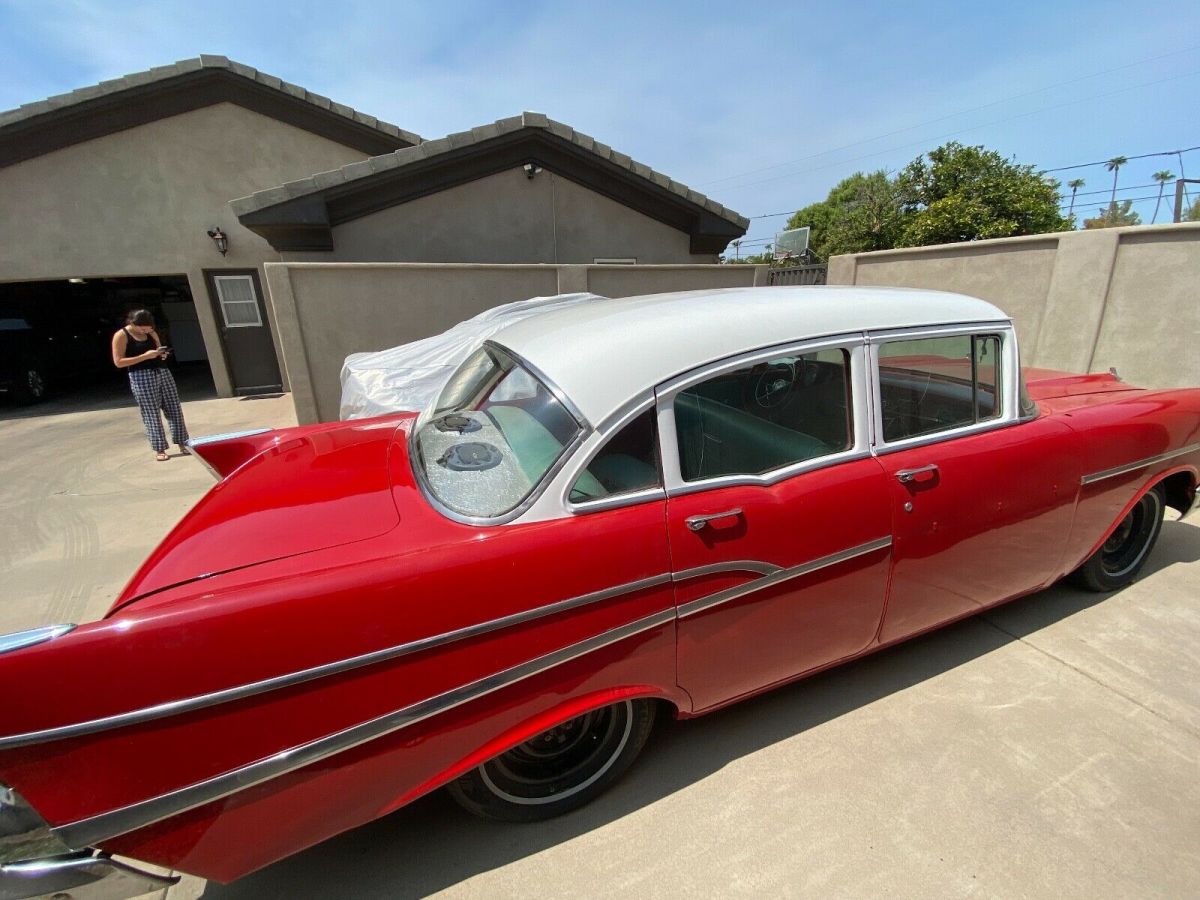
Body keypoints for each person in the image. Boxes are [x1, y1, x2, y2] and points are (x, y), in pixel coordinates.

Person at [111, 309, 190, 462]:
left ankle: (182, 442)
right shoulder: (121, 335)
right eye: (143, 327)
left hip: (162, 371)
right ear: (133, 324)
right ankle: (159, 448)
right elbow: (118, 362)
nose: (146, 330)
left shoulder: (151, 333)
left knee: (174, 408)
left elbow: (158, 350)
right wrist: (145, 356)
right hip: (141, 376)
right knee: (151, 413)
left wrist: (162, 354)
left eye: (148, 327)